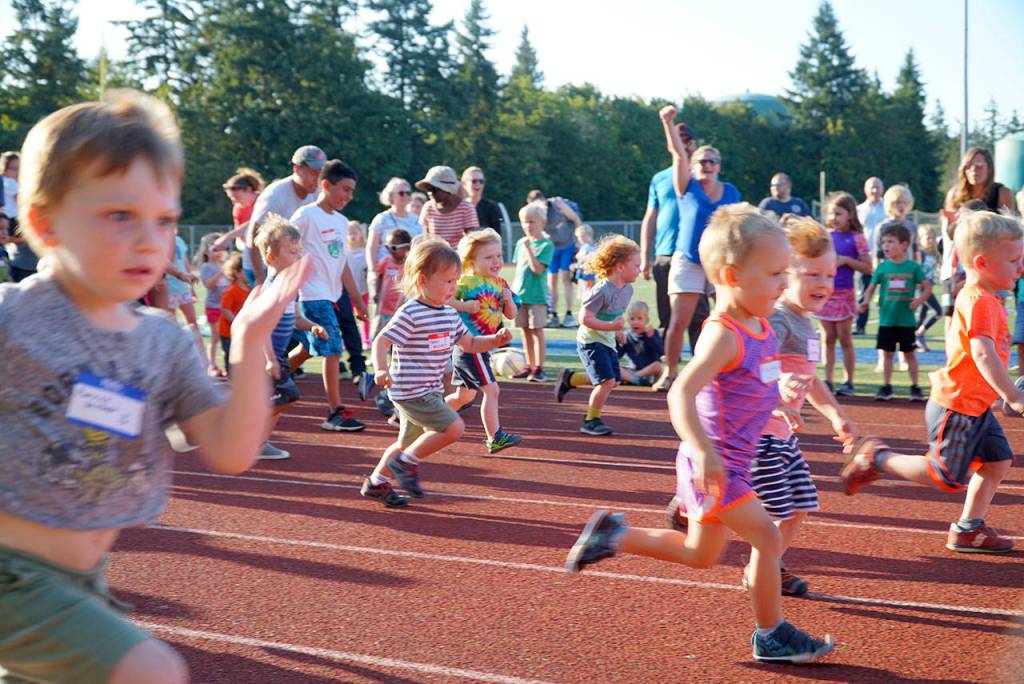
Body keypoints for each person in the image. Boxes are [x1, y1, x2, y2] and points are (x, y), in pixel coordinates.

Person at [0, 89, 307, 684]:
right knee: (151, 671)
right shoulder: (13, 319)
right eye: (120, 215)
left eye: (163, 220)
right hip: (12, 577)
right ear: (44, 222)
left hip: (85, 583)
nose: (148, 240)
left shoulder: (162, 341)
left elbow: (229, 449)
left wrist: (247, 343)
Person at [564, 204, 835, 664]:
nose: (783, 284)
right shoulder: (722, 334)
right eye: (774, 274)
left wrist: (781, 406)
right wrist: (705, 452)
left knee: (701, 554)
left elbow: (755, 384)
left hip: (726, 463)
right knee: (768, 539)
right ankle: (771, 634)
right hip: (717, 464)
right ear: (732, 275)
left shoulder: (764, 324)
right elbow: (681, 395)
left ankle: (615, 535)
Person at [670, 217, 857, 596]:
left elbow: (807, 376)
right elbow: (744, 374)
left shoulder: (805, 325)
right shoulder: (773, 320)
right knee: (772, 522)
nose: (824, 284)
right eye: (811, 274)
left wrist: (834, 412)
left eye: (830, 274)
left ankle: (767, 564)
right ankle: (764, 577)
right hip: (758, 440)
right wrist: (775, 398)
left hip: (784, 434)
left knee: (800, 506)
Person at [842, 210, 1022, 554]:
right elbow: (983, 355)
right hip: (957, 407)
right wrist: (1012, 394)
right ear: (983, 262)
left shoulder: (990, 299)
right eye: (1014, 260)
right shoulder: (980, 300)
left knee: (998, 462)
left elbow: (981, 360)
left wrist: (997, 396)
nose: (1021, 268)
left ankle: (968, 528)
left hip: (976, 406)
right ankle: (877, 458)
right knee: (946, 476)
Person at [361, 239, 513, 507]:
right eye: (448, 282)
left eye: (456, 281)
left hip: (428, 390)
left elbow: (470, 344)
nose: (454, 288)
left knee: (406, 443)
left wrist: (495, 340)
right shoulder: (412, 312)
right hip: (410, 391)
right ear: (422, 280)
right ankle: (406, 464)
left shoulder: (449, 314)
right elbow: (384, 341)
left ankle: (376, 482)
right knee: (454, 427)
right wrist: (381, 369)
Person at [653, 106, 741, 392]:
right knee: (679, 321)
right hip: (689, 260)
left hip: (719, 263)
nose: (707, 165)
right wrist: (667, 122)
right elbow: (678, 153)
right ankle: (670, 372)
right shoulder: (686, 186)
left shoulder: (730, 191)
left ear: (719, 166)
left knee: (732, 317)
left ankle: (725, 370)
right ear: (693, 164)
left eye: (712, 161)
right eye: (702, 160)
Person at [287, 159, 370, 432]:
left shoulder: (342, 221)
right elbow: (284, 248)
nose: (349, 196)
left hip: (332, 295)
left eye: (351, 191)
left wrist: (357, 300)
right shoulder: (305, 216)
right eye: (345, 189)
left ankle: (271, 381)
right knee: (333, 349)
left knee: (308, 348)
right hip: (311, 294)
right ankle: (334, 412)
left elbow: (342, 264)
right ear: (326, 185)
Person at [253, 215, 330, 461]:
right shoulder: (272, 289)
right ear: (270, 257)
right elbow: (261, 327)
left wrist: (312, 327)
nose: (298, 257)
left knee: (279, 399)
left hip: (280, 356)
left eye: (299, 252)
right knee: (287, 396)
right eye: (291, 252)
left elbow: (296, 318)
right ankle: (249, 434)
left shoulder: (289, 288)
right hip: (267, 356)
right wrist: (269, 359)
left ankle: (259, 441)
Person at [554, 235, 641, 436]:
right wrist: (611, 326)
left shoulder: (627, 289)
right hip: (591, 341)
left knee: (614, 380)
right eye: (636, 266)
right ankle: (591, 420)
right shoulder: (601, 289)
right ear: (620, 267)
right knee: (606, 382)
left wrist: (617, 330)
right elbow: (584, 317)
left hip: (608, 340)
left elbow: (617, 312)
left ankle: (570, 378)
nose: (639, 269)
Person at [445, 228, 522, 454]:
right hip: (469, 345)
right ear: (471, 260)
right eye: (488, 257)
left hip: (484, 346)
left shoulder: (502, 284)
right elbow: (444, 300)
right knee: (492, 389)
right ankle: (495, 436)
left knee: (463, 396)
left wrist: (508, 301)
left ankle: (429, 415)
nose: (496, 261)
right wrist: (465, 306)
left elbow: (512, 315)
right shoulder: (466, 283)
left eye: (498, 256)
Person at [858, 222, 929, 401]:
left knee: (910, 354)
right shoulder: (882, 267)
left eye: (891, 242)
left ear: (904, 245)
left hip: (906, 321)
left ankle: (915, 387)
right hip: (886, 320)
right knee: (887, 354)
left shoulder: (912, 267)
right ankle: (887, 386)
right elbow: (871, 287)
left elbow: (927, 287)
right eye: (884, 242)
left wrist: (919, 300)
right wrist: (866, 301)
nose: (886, 246)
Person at [640, 124, 697, 336]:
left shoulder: (702, 175)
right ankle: (668, 366)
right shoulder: (659, 178)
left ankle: (700, 364)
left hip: (694, 254)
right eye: (677, 139)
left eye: (686, 140)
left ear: (692, 144)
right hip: (665, 253)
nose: (682, 145)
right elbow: (651, 217)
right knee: (666, 317)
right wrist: (645, 256)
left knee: (697, 317)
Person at [245, 145, 325, 284]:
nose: (317, 179)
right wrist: (260, 277)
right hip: (263, 266)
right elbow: (253, 236)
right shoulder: (275, 195)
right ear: (297, 169)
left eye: (320, 174)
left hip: (289, 264)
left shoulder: (317, 193)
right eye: (313, 173)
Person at [818, 192, 872, 396]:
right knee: (827, 338)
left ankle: (848, 381)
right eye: (831, 214)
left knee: (844, 338)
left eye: (839, 213)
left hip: (844, 293)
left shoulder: (857, 238)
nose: (834, 218)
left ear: (850, 214)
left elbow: (869, 268)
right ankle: (828, 380)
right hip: (825, 293)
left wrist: (847, 261)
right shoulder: (825, 236)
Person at [525, 189, 581, 329]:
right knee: (552, 280)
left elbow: (576, 219)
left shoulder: (557, 205)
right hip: (552, 248)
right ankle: (554, 315)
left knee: (565, 277)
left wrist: (580, 241)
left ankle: (569, 314)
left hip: (567, 245)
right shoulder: (536, 214)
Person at [372, 228, 412, 421]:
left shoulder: (410, 265)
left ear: (407, 247)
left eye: (393, 247)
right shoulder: (385, 262)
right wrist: (376, 293)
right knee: (380, 341)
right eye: (387, 246)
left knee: (399, 348)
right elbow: (379, 278)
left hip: (400, 313)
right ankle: (380, 372)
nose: (389, 250)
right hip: (384, 311)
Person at [512, 201, 554, 381]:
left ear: (542, 223)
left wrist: (529, 249)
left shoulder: (546, 245)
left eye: (532, 221)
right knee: (524, 331)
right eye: (524, 222)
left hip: (537, 296)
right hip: (521, 294)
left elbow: (537, 270)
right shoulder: (520, 244)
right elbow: (518, 270)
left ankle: (539, 368)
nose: (527, 226)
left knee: (537, 330)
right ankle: (528, 365)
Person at [366, 177, 423, 280]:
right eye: (401, 193)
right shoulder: (381, 219)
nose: (405, 196)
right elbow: (371, 247)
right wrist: (372, 271)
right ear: (391, 196)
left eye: (408, 193)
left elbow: (421, 248)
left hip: (408, 273)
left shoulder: (417, 221)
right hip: (385, 273)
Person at [213, 167, 265, 267]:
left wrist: (228, 237)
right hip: (255, 257)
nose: (234, 201)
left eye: (237, 197)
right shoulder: (239, 208)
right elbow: (240, 238)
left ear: (249, 190)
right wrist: (246, 249)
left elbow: (259, 220)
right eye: (231, 198)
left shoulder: (266, 200)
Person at [417, 166, 479, 249]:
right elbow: (426, 238)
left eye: (434, 189)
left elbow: (471, 240)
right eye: (428, 189)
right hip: (435, 255)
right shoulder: (428, 208)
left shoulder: (466, 208)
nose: (430, 193)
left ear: (448, 190)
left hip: (459, 256)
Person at [854, 177, 886, 335]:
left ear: (882, 189)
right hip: (865, 258)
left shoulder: (888, 208)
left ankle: (885, 325)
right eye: (872, 187)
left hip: (885, 258)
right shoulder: (859, 210)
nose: (875, 190)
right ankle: (860, 326)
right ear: (865, 189)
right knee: (864, 292)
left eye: (878, 187)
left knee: (886, 294)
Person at [197, 232, 230, 378]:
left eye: (221, 249)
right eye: (215, 249)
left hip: (227, 307)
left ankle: (228, 365)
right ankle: (212, 365)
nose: (218, 253)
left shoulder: (227, 265)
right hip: (213, 306)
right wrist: (221, 272)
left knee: (228, 338)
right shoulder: (206, 267)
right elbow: (209, 285)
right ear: (206, 251)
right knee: (215, 337)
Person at [2, 151, 37, 282]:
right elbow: (21, 201)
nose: (16, 172)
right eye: (13, 168)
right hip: (12, 218)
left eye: (19, 168)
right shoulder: (11, 183)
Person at [614, 301, 664, 386]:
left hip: (649, 371)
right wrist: (619, 343)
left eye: (639, 318)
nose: (635, 322)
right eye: (632, 319)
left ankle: (632, 378)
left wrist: (652, 338)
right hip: (633, 369)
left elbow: (661, 352)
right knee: (613, 366)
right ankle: (636, 380)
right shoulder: (626, 335)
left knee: (658, 365)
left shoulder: (652, 333)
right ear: (628, 320)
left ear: (646, 320)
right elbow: (617, 356)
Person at [218, 253, 252, 373]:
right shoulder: (231, 291)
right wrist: (237, 323)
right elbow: (225, 309)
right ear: (237, 273)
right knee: (231, 357)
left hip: (243, 332)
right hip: (228, 332)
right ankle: (231, 382)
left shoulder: (251, 290)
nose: (250, 273)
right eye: (246, 270)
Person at [915, 225, 942, 352]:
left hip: (929, 287)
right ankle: (919, 334)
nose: (930, 241)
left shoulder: (934, 254)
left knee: (922, 315)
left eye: (932, 238)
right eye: (927, 238)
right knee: (939, 312)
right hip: (923, 288)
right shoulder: (920, 254)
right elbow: (917, 269)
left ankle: (912, 339)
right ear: (920, 239)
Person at [348, 220, 371, 346]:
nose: (352, 235)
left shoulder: (365, 251)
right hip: (349, 291)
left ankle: (366, 340)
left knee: (364, 316)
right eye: (349, 232)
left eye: (354, 232)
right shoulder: (345, 252)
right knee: (348, 318)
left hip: (363, 289)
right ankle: (347, 341)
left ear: (361, 233)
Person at [462, 166, 503, 232]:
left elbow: (497, 235)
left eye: (481, 181)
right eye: (474, 181)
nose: (478, 184)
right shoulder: (459, 207)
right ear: (464, 184)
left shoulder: (492, 207)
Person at [572, 223, 597, 302]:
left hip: (589, 273)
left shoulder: (590, 247)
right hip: (583, 273)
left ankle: (589, 304)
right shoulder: (584, 246)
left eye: (580, 237)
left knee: (589, 290)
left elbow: (588, 258)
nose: (579, 239)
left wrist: (579, 262)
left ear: (587, 235)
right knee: (584, 290)